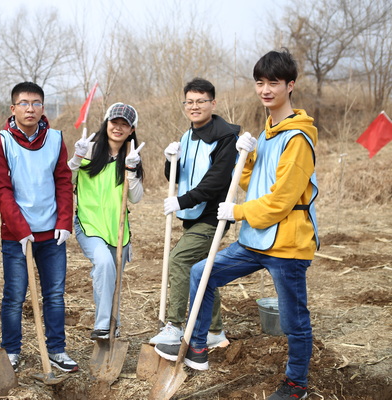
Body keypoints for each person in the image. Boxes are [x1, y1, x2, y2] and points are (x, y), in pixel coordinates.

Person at [155, 49, 319, 400]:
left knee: (294, 320)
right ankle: (198, 344)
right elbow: (248, 183)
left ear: (290, 86)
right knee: (202, 273)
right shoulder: (268, 133)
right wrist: (246, 160)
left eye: (274, 82)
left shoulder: (297, 139)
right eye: (260, 82)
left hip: (286, 244)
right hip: (255, 239)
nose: (265, 89)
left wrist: (237, 212)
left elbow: (280, 201)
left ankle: (296, 384)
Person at [0, 82, 78, 373]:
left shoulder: (55, 139)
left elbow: (64, 181)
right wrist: (20, 228)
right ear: (13, 109)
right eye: (24, 103)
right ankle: (12, 350)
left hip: (52, 234)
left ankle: (56, 350)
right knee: (14, 295)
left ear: (43, 108)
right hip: (16, 236)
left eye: (36, 103)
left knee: (54, 294)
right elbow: (1, 190)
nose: (30, 108)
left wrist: (64, 221)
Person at [149, 78, 239, 348]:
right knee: (204, 270)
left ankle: (175, 326)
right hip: (192, 216)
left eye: (201, 101)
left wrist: (182, 201)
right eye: (190, 102)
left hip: (213, 216)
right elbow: (174, 176)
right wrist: (170, 159)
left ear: (213, 103)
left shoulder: (225, 137)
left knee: (179, 260)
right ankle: (214, 331)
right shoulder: (187, 135)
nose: (195, 106)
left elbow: (217, 182)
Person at [68, 103, 145, 340]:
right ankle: (102, 326)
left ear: (131, 130)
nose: (118, 128)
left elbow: (136, 197)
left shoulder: (131, 157)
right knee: (103, 264)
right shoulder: (89, 150)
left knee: (113, 280)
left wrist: (131, 169)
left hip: (118, 230)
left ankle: (113, 327)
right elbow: (65, 178)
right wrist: (76, 157)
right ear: (106, 122)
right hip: (89, 224)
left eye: (125, 124)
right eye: (115, 122)